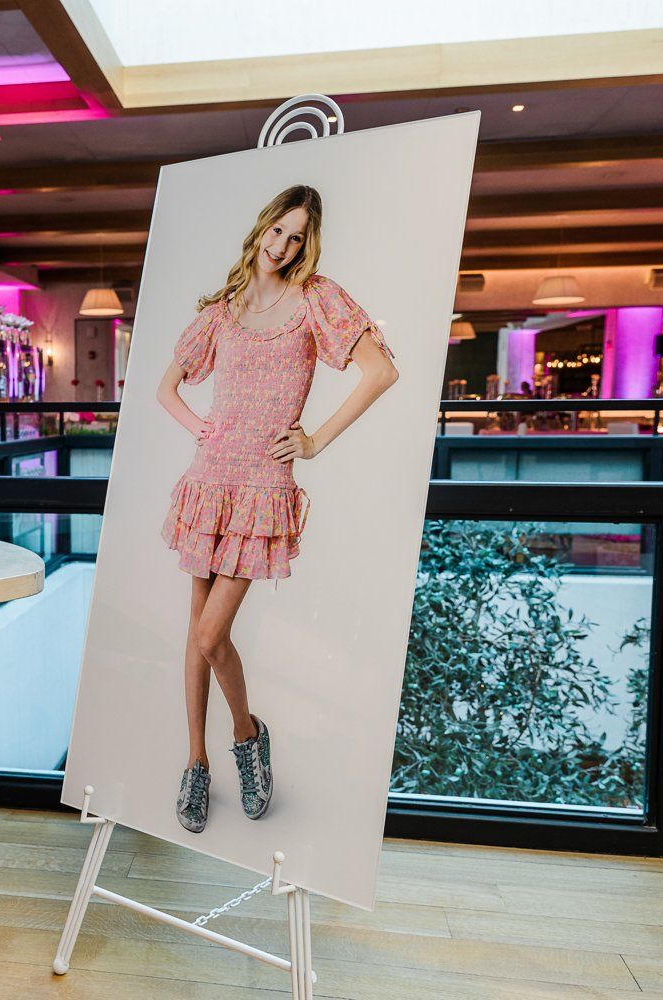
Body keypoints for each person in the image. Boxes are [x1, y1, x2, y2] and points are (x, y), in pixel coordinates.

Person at [155, 184, 399, 833]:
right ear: (262, 228)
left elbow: (380, 371)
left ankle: (247, 736)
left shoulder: (317, 297)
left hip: (264, 485)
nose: (285, 246)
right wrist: (199, 428)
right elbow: (165, 386)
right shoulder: (223, 308)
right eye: (280, 231)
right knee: (195, 633)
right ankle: (197, 764)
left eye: (298, 238)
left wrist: (316, 439)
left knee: (212, 635)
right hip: (209, 481)